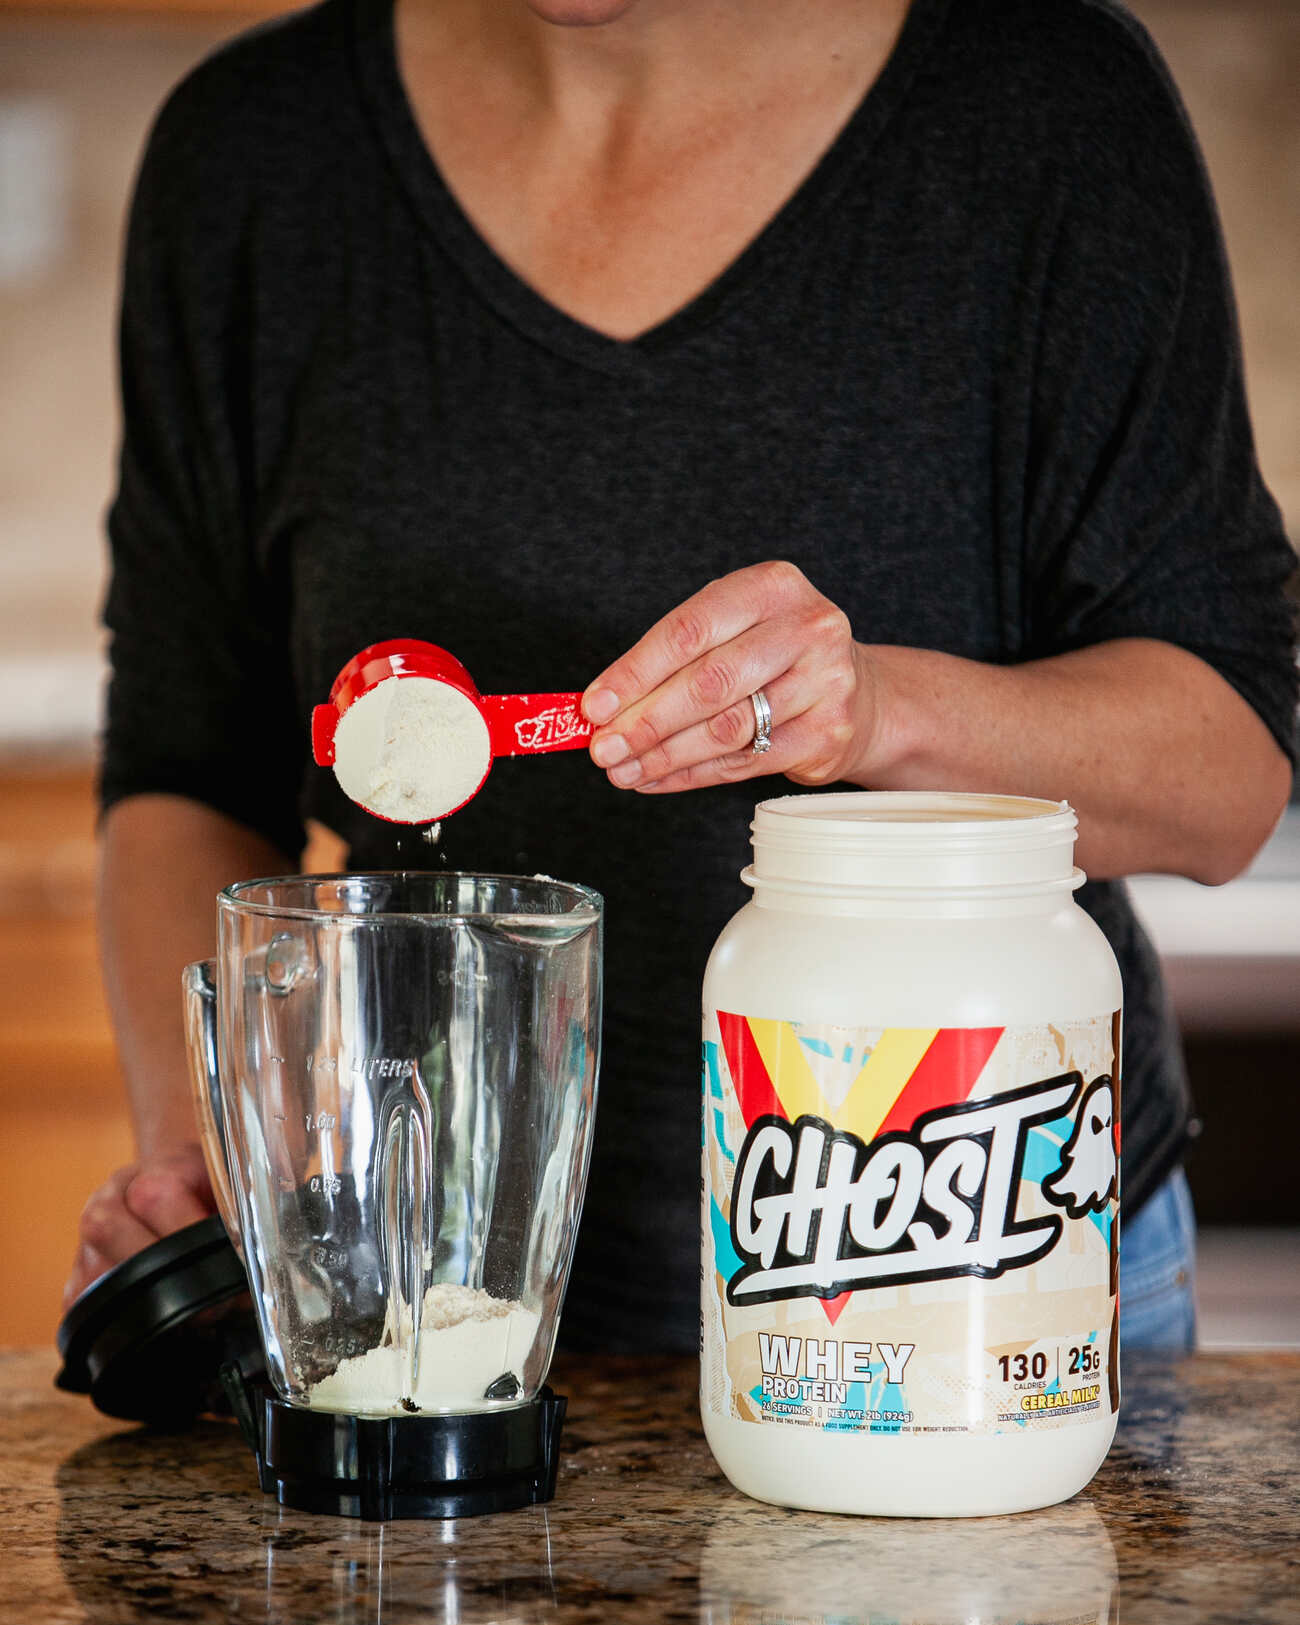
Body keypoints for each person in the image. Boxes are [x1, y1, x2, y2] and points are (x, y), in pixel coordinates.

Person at [67, 0, 1297, 1356]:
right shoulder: (251, 155)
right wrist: (219, 1171)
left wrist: (875, 712)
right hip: (428, 1323)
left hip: (980, 1274)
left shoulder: (1046, 102)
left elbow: (1227, 777)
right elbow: (186, 767)